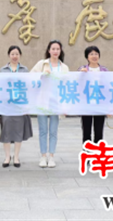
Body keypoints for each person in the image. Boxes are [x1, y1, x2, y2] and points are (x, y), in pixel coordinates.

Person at [30, 40, 69, 168]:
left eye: (58, 49)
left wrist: (65, 105)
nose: (55, 51)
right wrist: (42, 75)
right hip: (42, 101)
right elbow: (31, 77)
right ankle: (43, 156)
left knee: (53, 131)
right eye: (53, 49)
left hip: (56, 103)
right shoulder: (42, 64)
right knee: (43, 130)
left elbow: (67, 86)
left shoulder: (64, 67)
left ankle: (51, 156)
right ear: (49, 50)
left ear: (60, 51)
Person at [0, 45, 33, 168]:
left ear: (20, 55)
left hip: (20, 105)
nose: (15, 56)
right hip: (7, 106)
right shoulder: (3, 70)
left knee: (19, 131)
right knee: (6, 131)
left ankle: (16, 157)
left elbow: (28, 86)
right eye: (12, 54)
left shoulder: (24, 69)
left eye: (17, 54)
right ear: (9, 55)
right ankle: (7, 157)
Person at [78, 46, 107, 147]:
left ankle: (97, 153)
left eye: (96, 54)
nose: (94, 56)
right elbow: (77, 84)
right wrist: (81, 74)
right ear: (87, 57)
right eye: (91, 54)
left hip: (100, 104)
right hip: (86, 105)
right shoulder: (82, 69)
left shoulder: (104, 70)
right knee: (86, 132)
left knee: (99, 132)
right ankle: (87, 153)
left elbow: (108, 88)